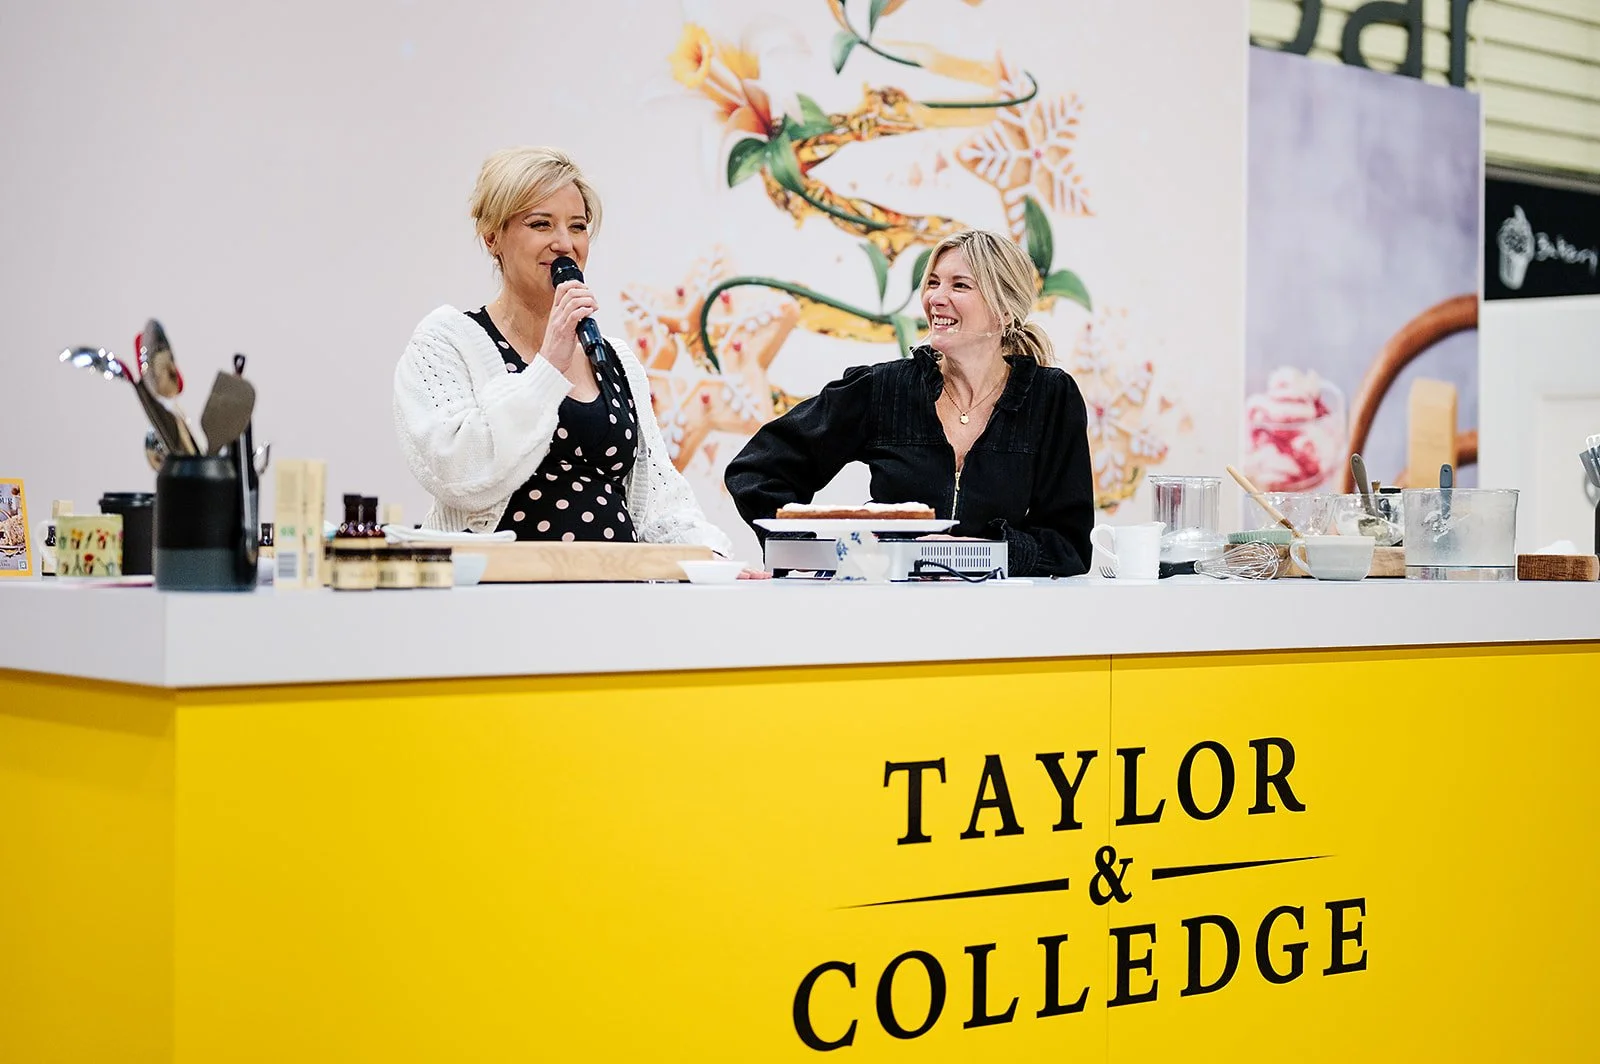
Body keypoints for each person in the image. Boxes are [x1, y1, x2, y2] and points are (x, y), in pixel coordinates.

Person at [393, 146, 735, 558]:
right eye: (541, 224)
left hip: (618, 595)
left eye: (577, 226)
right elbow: (459, 471)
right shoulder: (447, 340)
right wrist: (547, 367)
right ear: (492, 237)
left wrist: (711, 557)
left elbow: (661, 503)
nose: (564, 244)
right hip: (499, 599)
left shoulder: (615, 358)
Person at [724, 229, 1094, 577]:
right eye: (933, 282)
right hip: (887, 614)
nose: (935, 297)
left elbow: (1069, 546)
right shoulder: (882, 388)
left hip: (999, 622)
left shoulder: (1050, 398)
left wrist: (976, 553)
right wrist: (808, 551)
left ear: (1004, 310)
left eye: (959, 285)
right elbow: (757, 472)